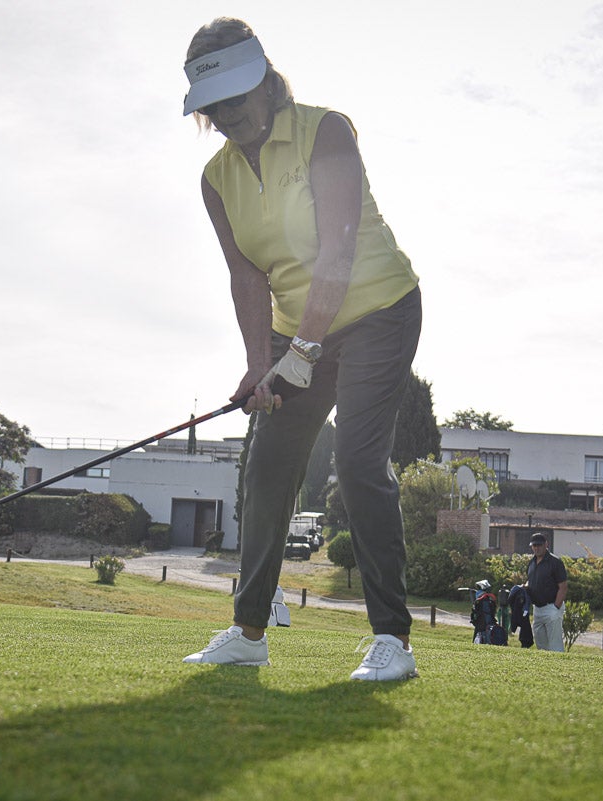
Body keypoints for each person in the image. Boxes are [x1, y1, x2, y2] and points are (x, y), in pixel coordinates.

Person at [178, 17, 422, 681]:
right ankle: (248, 627)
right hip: (296, 325)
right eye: (213, 106)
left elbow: (337, 250)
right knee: (268, 466)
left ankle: (393, 641)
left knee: (358, 458)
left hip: (377, 309)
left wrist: (303, 351)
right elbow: (246, 274)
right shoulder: (216, 177)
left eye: (235, 97)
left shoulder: (326, 130)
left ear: (263, 80)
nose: (227, 115)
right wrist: (262, 365)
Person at [525, 532, 568, 652]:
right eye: (534, 545)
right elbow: (531, 580)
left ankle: (560, 667)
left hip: (551, 607)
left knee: (555, 645)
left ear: (546, 545)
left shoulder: (555, 562)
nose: (536, 548)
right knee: (541, 645)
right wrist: (524, 587)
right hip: (537, 609)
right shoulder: (532, 562)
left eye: (539, 545)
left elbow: (563, 586)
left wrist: (556, 607)